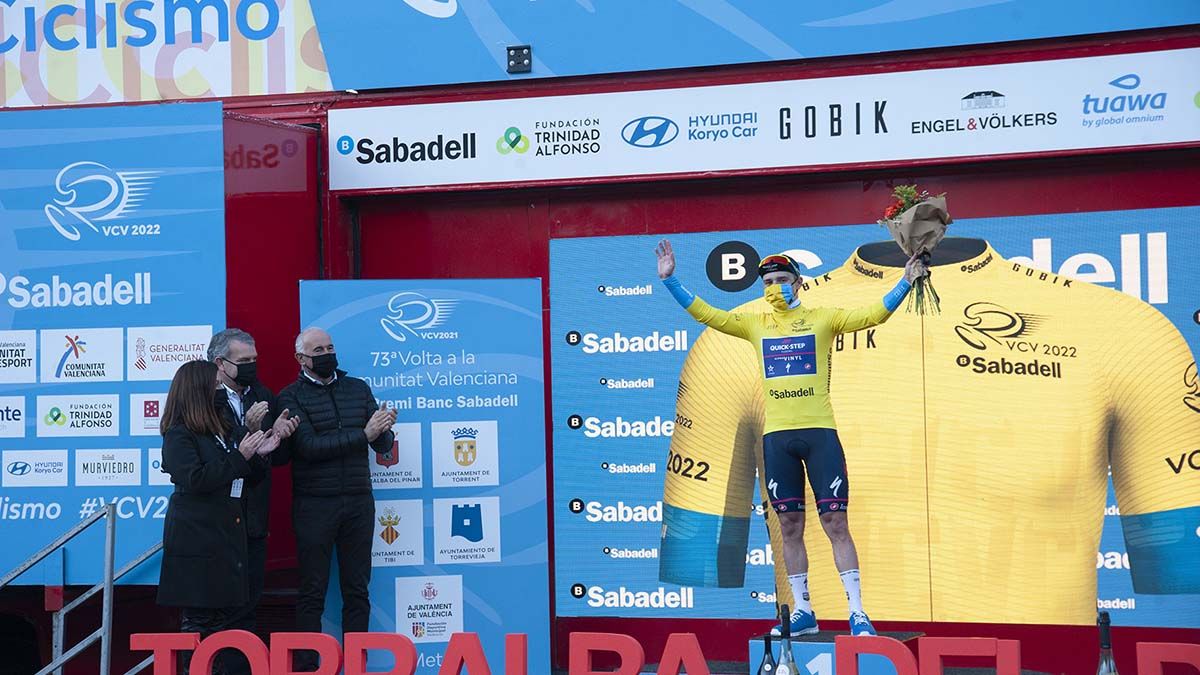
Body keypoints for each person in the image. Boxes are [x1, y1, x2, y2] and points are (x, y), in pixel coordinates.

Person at [654, 238, 926, 637]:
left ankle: (858, 613)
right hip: (777, 438)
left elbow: (874, 315)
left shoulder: (823, 318)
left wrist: (904, 282)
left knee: (835, 523)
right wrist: (671, 280)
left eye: (781, 279)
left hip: (819, 434)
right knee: (790, 527)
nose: (774, 287)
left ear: (798, 283)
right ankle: (803, 611)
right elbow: (707, 315)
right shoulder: (755, 323)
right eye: (767, 282)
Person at [278, 327, 397, 670]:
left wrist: (384, 430)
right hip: (315, 505)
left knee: (357, 590)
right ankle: (306, 665)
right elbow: (309, 448)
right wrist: (365, 434)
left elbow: (381, 446)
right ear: (302, 358)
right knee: (312, 591)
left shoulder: (358, 388)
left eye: (330, 347)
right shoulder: (290, 397)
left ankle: (357, 664)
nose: (327, 354)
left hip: (359, 502)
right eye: (319, 350)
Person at [157, 359, 279, 674]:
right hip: (197, 539)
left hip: (227, 534)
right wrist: (241, 456)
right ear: (198, 390)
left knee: (229, 618)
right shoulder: (178, 434)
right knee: (200, 620)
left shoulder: (221, 429)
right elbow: (196, 479)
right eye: (213, 386)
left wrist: (259, 455)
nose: (220, 392)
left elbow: (242, 474)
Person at [207, 328, 299, 661]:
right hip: (216, 522)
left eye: (254, 360)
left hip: (253, 518)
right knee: (215, 606)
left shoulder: (263, 395)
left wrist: (281, 437)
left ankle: (241, 666)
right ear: (220, 363)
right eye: (243, 361)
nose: (251, 366)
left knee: (248, 603)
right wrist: (245, 429)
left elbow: (274, 460)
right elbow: (211, 461)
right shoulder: (202, 400)